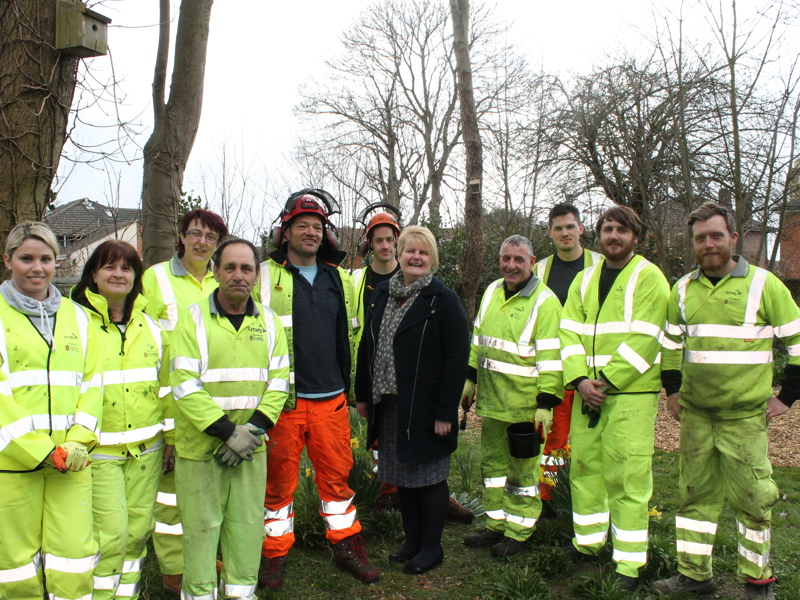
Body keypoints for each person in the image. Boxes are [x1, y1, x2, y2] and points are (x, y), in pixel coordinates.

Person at [652, 202, 800, 600]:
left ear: (734, 238)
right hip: (697, 417)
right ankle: (694, 578)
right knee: (694, 498)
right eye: (700, 238)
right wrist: (673, 391)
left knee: (754, 500)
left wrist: (788, 396)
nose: (708, 244)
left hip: (745, 419)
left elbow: (798, 340)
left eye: (716, 235)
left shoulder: (764, 286)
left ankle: (758, 582)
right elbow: (669, 346)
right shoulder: (681, 289)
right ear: (694, 244)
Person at [257, 189, 379, 589]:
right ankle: (272, 554)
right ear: (285, 232)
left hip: (331, 399)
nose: (310, 232)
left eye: (317, 226)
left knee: (337, 483)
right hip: (285, 403)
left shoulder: (340, 279)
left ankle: (346, 544)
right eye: (302, 226)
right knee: (277, 485)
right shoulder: (264, 277)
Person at [169, 238, 289, 600]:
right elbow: (185, 385)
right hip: (202, 451)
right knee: (201, 531)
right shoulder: (191, 320)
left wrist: (249, 433)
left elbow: (280, 381)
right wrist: (226, 433)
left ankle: (241, 594)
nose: (239, 275)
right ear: (216, 271)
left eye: (247, 268)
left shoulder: (269, 321)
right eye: (230, 267)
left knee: (247, 529)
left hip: (251, 449)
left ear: (255, 276)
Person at [558, 205, 669, 592]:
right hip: (587, 393)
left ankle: (629, 563)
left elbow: (646, 337)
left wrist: (603, 381)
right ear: (599, 235)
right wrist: (579, 380)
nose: (614, 236)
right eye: (608, 229)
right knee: (586, 470)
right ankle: (588, 543)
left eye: (622, 230)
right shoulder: (585, 279)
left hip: (630, 395)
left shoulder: (650, 278)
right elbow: (566, 331)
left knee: (627, 477)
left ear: (635, 237)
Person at [355, 226, 470, 574]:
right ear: (399, 254)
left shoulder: (442, 299)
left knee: (430, 476)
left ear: (432, 258)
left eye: (423, 252)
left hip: (426, 406)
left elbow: (456, 357)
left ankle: (431, 547)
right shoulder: (382, 295)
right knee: (401, 474)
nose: (416, 257)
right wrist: (363, 394)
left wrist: (445, 411)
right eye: (410, 251)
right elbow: (367, 347)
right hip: (389, 404)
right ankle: (412, 540)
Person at [0, 222, 102, 600]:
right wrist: (38, 449)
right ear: (8, 260)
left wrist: (77, 443)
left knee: (74, 560)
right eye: (26, 258)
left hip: (70, 464)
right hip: (10, 467)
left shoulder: (79, 318)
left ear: (57, 263)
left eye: (45, 259)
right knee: (13, 566)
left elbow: (92, 386)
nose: (36, 268)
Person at [71, 241, 169, 600]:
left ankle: (127, 594)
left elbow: (166, 388)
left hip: (147, 451)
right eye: (109, 267)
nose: (118, 274)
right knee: (109, 535)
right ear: (93, 276)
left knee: (137, 533)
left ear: (136, 277)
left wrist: (169, 438)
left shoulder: (151, 327)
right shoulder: (75, 322)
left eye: (126, 268)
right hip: (101, 450)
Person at [141, 208, 228, 595]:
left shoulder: (219, 282)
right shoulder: (156, 279)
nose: (202, 243)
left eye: (210, 238)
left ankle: (204, 559)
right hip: (166, 409)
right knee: (169, 499)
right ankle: (174, 571)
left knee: (206, 493)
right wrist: (163, 422)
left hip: (207, 408)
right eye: (195, 233)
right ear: (182, 235)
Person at [462, 235, 564, 557]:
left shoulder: (545, 302)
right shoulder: (492, 291)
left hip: (524, 408)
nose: (511, 265)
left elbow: (552, 357)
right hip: (492, 404)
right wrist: (469, 379)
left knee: (522, 474)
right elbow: (478, 340)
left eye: (519, 260)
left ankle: (519, 531)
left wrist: (546, 403)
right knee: (492, 467)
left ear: (532, 263)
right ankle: (495, 524)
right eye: (506, 258)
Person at [533, 203, 602, 512]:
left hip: (593, 367)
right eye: (558, 228)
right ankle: (550, 498)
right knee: (553, 437)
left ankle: (591, 501)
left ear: (581, 229)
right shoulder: (540, 270)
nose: (564, 233)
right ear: (550, 233)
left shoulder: (599, 264)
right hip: (554, 366)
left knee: (592, 438)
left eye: (570, 226)